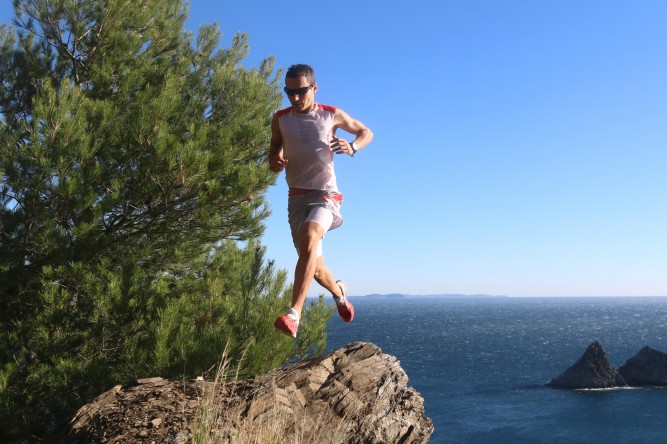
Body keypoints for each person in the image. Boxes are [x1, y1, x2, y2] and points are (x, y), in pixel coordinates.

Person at [269, 64, 373, 338]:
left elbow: (365, 132)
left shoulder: (330, 114)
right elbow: (275, 143)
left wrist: (352, 147)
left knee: (310, 234)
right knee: (314, 268)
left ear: (313, 88)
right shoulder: (280, 118)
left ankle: (294, 315)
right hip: (296, 197)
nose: (294, 98)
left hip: (326, 194)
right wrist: (274, 159)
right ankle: (340, 293)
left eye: (301, 91)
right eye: (289, 92)